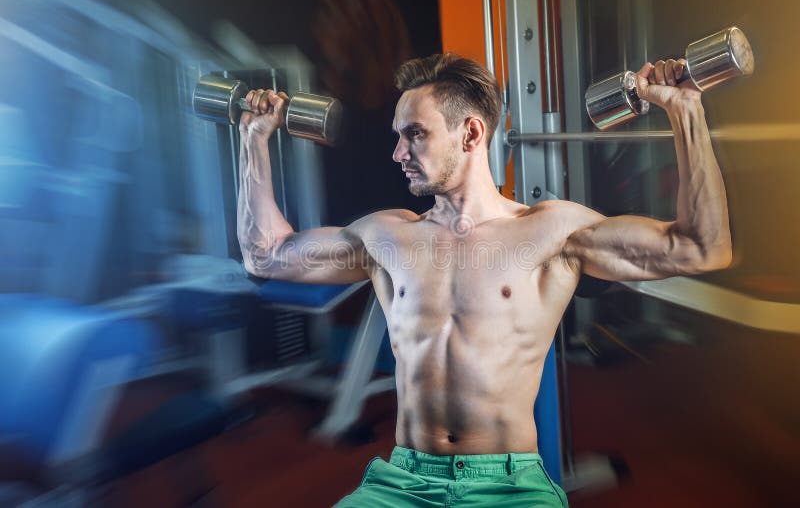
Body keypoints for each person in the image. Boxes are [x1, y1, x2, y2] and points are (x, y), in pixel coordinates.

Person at [236, 53, 732, 507]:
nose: (398, 153)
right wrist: (253, 139)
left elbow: (700, 247)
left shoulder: (550, 231)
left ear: (470, 134)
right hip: (404, 482)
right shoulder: (387, 236)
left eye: (415, 134)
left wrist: (685, 110)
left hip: (510, 485)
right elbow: (267, 257)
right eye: (397, 136)